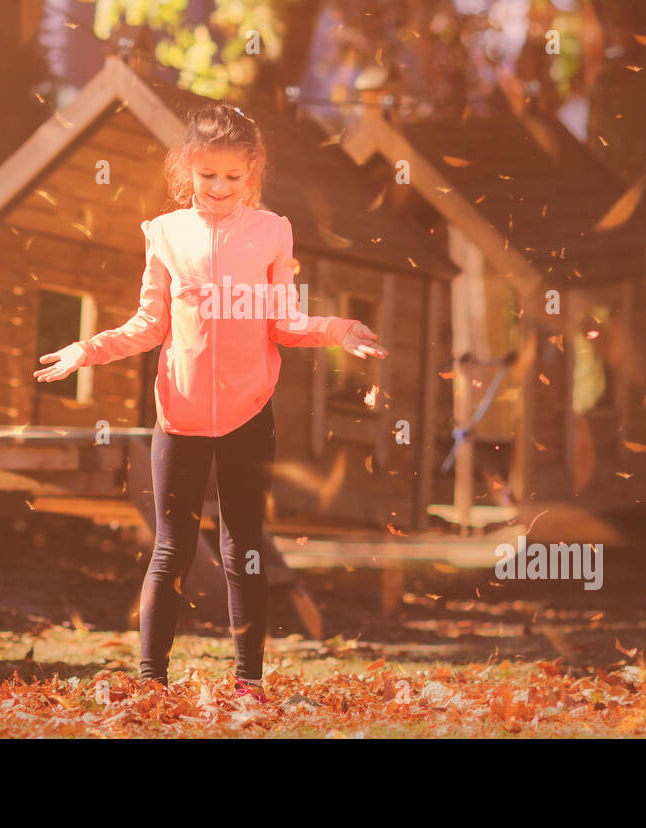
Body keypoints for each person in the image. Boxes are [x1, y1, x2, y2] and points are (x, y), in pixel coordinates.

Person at [34, 103, 387, 703]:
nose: (219, 188)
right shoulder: (164, 233)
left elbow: (285, 320)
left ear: (252, 173)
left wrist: (339, 329)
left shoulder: (273, 231)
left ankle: (248, 683)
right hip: (179, 416)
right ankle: (151, 683)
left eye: (232, 177)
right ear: (187, 171)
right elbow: (148, 325)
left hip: (250, 416)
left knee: (243, 547)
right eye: (207, 177)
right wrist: (86, 351)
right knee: (169, 549)